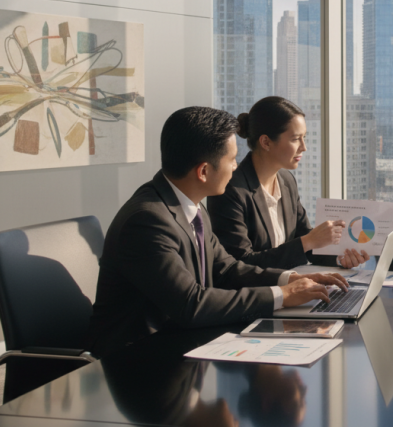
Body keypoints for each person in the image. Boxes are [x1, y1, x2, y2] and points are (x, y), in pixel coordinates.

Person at [88, 106, 348, 358]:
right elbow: (191, 304)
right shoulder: (147, 221)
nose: (236, 168)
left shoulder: (190, 204)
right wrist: (281, 296)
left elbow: (226, 270)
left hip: (182, 341)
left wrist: (288, 280)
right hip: (135, 360)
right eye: (232, 160)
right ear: (203, 171)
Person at [209, 96, 367, 270]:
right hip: (258, 294)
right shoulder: (231, 190)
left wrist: (339, 258)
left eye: (304, 137)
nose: (304, 147)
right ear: (266, 142)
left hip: (290, 288)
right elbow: (240, 264)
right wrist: (307, 241)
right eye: (295, 139)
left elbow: (306, 241)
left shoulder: (286, 180)